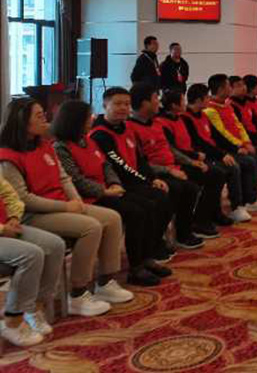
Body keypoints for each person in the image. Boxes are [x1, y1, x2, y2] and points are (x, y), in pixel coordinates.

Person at [0, 98, 132, 317]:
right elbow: (23, 199)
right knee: (90, 227)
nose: (45, 119)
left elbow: (63, 178)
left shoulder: (44, 145)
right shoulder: (8, 157)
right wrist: (66, 206)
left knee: (112, 218)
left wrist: (76, 201)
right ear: (23, 121)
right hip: (33, 213)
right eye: (39, 116)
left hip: (61, 204)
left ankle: (105, 282)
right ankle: (78, 293)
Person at [53, 99, 171, 287]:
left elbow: (105, 165)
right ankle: (136, 268)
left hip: (107, 190)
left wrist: (114, 183)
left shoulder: (87, 140)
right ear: (75, 120)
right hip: (88, 197)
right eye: (88, 117)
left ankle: (146, 257)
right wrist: (104, 191)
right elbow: (76, 180)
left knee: (149, 205)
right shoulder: (60, 147)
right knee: (136, 212)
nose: (92, 119)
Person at [90, 87, 176, 265]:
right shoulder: (100, 134)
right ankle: (141, 259)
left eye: (127, 104)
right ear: (105, 105)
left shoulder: (127, 127)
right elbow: (119, 165)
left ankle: (153, 246)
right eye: (118, 104)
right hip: (118, 184)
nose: (123, 108)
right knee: (148, 205)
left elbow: (140, 159)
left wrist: (153, 178)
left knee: (164, 197)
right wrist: (146, 182)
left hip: (134, 180)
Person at [127, 84, 205, 249]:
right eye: (156, 98)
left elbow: (170, 149)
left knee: (192, 186)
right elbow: (140, 162)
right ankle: (155, 240)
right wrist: (168, 170)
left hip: (171, 167)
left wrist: (190, 161)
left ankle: (184, 233)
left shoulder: (155, 123)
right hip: (152, 173)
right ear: (144, 103)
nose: (159, 102)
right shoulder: (130, 128)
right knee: (176, 188)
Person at [0, 175, 65, 347]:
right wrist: (2, 229)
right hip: (1, 229)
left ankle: (33, 309)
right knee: (31, 254)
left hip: (6, 225)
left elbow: (8, 193)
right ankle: (12, 322)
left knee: (54, 245)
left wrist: (13, 217)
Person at [157, 89, 231, 232]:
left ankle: (212, 214)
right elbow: (172, 150)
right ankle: (200, 220)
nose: (185, 103)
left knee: (218, 172)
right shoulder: (163, 123)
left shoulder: (179, 118)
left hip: (189, 157)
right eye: (182, 101)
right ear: (174, 105)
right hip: (179, 162)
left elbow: (192, 140)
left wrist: (196, 155)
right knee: (215, 174)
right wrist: (194, 157)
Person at [181, 84, 250, 223]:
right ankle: (231, 207)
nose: (209, 99)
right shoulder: (186, 118)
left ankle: (232, 206)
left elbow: (217, 136)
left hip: (213, 152)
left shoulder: (203, 115)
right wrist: (221, 155)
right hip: (201, 155)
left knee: (243, 161)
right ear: (199, 100)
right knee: (229, 168)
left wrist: (234, 149)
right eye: (207, 97)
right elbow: (199, 143)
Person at [204, 75, 257, 214]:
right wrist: (239, 146)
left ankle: (251, 194)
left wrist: (246, 142)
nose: (230, 89)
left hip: (239, 144)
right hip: (226, 147)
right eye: (228, 86)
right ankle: (242, 202)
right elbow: (222, 134)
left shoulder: (226, 106)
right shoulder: (211, 110)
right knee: (249, 161)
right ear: (221, 89)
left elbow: (239, 126)